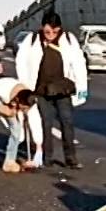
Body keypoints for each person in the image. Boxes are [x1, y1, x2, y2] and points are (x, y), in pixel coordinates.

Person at [14, 11, 89, 169]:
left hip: (63, 89)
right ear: (42, 28)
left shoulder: (68, 39)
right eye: (47, 32)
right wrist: (25, 87)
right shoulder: (32, 40)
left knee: (66, 122)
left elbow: (78, 63)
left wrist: (82, 87)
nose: (51, 35)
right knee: (44, 123)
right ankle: (46, 157)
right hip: (41, 90)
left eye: (55, 32)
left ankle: (71, 158)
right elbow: (21, 62)